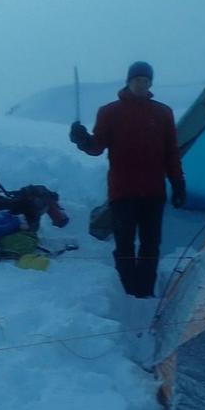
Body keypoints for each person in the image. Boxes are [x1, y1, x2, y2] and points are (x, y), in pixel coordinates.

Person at [69, 61, 185, 298]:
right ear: (128, 81)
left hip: (154, 192)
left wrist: (178, 182)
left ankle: (145, 292)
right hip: (123, 192)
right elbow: (97, 147)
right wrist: (82, 140)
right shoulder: (109, 112)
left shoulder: (163, 113)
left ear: (151, 84)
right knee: (124, 244)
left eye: (146, 81)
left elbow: (171, 152)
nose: (141, 85)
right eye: (137, 80)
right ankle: (126, 293)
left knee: (151, 244)